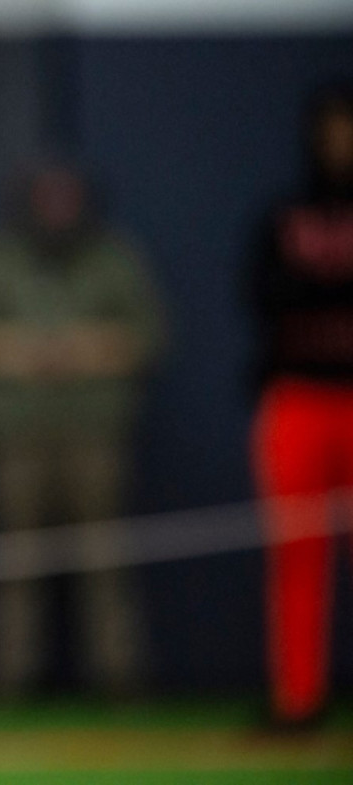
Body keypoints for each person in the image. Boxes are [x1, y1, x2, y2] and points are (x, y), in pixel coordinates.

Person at [0, 160, 163, 698]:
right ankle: (8, 682)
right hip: (15, 439)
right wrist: (25, 353)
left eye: (68, 198)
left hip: (95, 437)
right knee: (15, 564)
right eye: (47, 198)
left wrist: (81, 349)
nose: (57, 210)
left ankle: (120, 680)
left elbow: (149, 338)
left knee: (104, 560)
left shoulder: (114, 260)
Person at [249, 83, 353, 730]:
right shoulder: (285, 213)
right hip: (297, 400)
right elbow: (263, 296)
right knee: (297, 556)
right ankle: (299, 700)